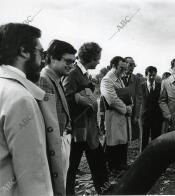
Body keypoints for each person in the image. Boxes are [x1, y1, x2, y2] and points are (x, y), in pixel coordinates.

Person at [0, 23, 55, 195]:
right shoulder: (20, 98)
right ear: (24, 51)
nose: (44, 60)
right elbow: (34, 178)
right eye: (41, 53)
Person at [63, 42, 109, 195]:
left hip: (89, 129)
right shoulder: (72, 73)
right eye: (98, 58)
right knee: (71, 168)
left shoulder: (83, 73)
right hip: (78, 131)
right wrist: (84, 100)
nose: (99, 62)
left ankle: (104, 190)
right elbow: (66, 98)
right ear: (91, 58)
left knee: (98, 162)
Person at [38, 39, 76, 188]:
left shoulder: (55, 78)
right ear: (53, 58)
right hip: (53, 144)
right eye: (68, 61)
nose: (71, 65)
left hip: (61, 139)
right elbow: (47, 121)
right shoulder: (44, 79)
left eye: (73, 62)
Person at [100, 56, 132, 174]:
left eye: (125, 68)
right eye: (121, 68)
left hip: (121, 116)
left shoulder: (120, 79)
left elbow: (124, 95)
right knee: (113, 142)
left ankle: (121, 165)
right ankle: (113, 168)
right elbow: (112, 99)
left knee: (121, 141)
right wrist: (126, 108)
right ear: (114, 66)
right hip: (113, 116)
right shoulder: (107, 80)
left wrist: (129, 105)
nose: (123, 70)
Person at [140, 66, 163, 151]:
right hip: (144, 118)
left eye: (154, 75)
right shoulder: (141, 86)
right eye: (150, 75)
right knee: (143, 140)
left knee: (156, 140)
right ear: (146, 75)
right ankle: (142, 160)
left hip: (157, 118)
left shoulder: (160, 86)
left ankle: (155, 160)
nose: (152, 77)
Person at [122, 57, 142, 141]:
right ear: (124, 64)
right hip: (119, 110)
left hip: (131, 111)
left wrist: (136, 115)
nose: (132, 67)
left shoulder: (136, 79)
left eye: (134, 65)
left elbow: (138, 98)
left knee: (129, 135)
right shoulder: (117, 76)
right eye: (130, 65)